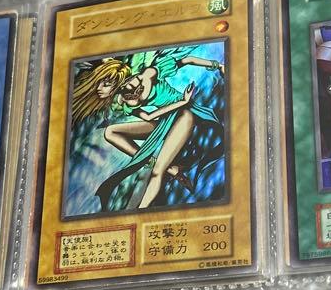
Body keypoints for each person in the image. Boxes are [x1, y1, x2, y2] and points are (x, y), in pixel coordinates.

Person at [69, 49, 225, 211]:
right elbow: (149, 117)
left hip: (185, 114)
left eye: (104, 84)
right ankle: (162, 166)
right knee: (110, 132)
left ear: (114, 81)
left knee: (157, 172)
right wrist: (181, 102)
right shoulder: (126, 101)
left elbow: (187, 60)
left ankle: (141, 210)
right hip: (165, 120)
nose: (99, 89)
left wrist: (218, 65)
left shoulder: (149, 74)